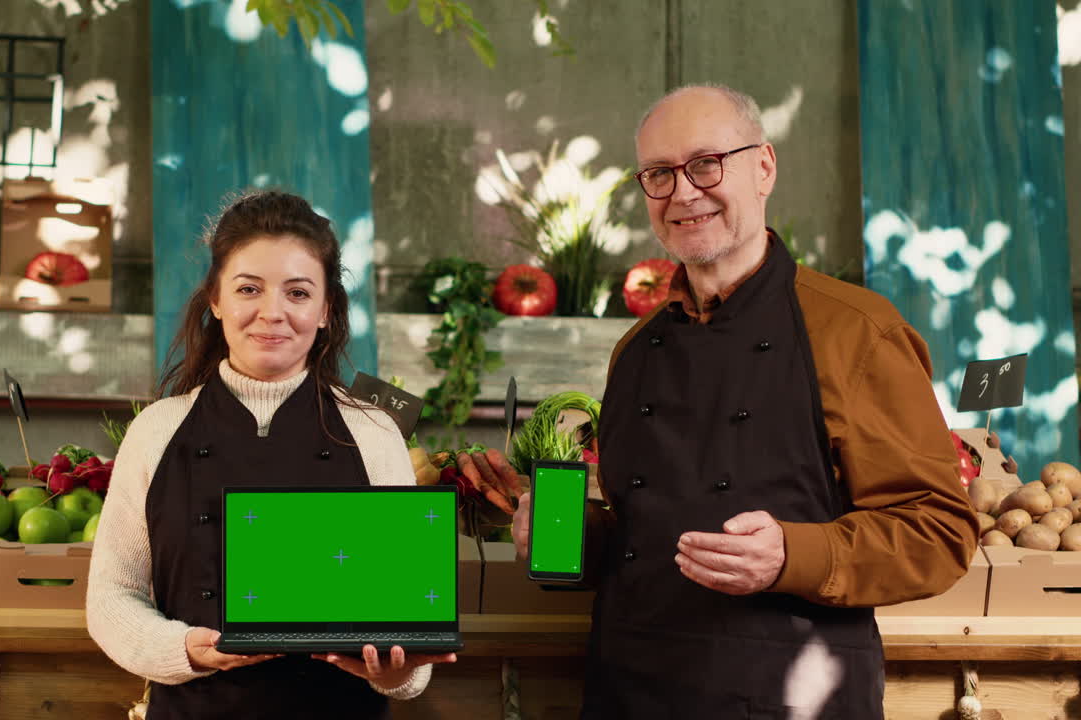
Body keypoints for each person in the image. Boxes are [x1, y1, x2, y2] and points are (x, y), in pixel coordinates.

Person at [488, 85, 978, 718]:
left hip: (792, 696)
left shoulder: (856, 330)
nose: (683, 192)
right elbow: (645, 535)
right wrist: (564, 536)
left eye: (705, 164)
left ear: (764, 167)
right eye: (659, 174)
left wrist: (790, 557)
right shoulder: (635, 349)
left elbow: (937, 531)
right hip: (629, 690)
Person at [86, 190, 455, 719]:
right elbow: (111, 597)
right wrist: (187, 649)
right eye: (248, 289)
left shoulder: (373, 434)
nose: (272, 313)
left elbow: (403, 627)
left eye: (298, 293)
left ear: (327, 309)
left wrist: (399, 672)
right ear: (215, 299)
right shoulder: (156, 430)